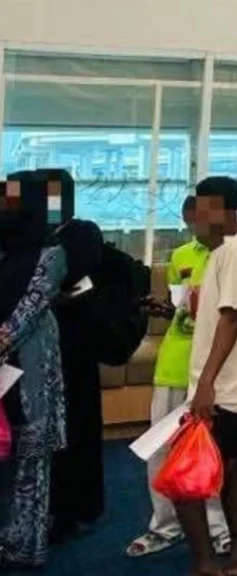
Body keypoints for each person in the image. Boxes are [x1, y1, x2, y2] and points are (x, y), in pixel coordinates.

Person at [128, 196, 231, 558]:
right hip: (174, 363)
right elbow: (180, 309)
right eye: (188, 222)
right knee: (161, 449)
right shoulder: (182, 255)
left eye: (196, 221)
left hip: (215, 370)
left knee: (210, 451)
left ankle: (219, 528)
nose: (192, 229)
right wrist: (168, 310)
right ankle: (165, 526)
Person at [175, 176, 237, 576]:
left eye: (204, 207)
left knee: (184, 479)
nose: (195, 216)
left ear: (229, 212)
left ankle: (208, 562)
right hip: (224, 387)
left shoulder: (236, 253)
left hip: (224, 389)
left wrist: (207, 384)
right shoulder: (223, 253)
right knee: (228, 470)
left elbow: (232, 319)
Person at [0, 171, 67, 568]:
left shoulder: (51, 253)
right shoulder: (4, 249)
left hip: (29, 370)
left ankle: (28, 544)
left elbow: (30, 308)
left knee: (31, 459)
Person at [40, 168, 108, 541]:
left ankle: (74, 510)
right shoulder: (33, 236)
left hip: (75, 348)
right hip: (41, 348)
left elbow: (66, 279)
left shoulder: (81, 233)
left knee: (75, 429)